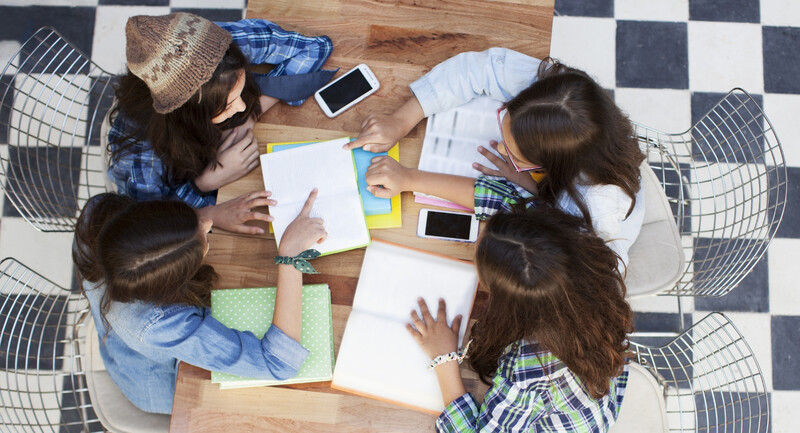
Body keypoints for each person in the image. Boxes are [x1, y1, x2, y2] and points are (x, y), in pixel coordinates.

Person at [351, 48, 646, 268]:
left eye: (515, 154)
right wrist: (402, 119)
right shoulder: (557, 93)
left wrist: (410, 178)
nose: (499, 149)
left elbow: (547, 232)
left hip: (594, 243)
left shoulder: (595, 208)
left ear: (553, 167)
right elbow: (479, 69)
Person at [72, 189, 327, 414]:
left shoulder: (98, 213)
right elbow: (279, 363)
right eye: (206, 236)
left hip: (124, 339)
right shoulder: (159, 324)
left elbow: (198, 221)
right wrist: (290, 256)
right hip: (163, 382)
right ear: (175, 279)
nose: (207, 222)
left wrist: (210, 213)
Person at [407, 208, 634, 432]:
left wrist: (443, 359)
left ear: (507, 304)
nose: (477, 243)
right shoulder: (590, 276)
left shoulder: (529, 366)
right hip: (597, 396)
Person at [107, 12, 334, 232]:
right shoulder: (140, 157)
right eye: (227, 105)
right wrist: (202, 185)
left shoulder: (216, 46)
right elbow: (152, 222)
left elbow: (315, 48)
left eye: (240, 90)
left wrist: (255, 110)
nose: (242, 107)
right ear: (189, 114)